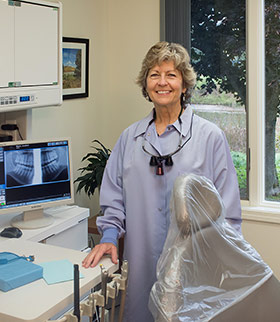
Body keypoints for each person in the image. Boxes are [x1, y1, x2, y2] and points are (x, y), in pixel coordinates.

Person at [82, 41, 242, 322]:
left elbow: (227, 210)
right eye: (154, 74)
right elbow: (113, 199)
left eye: (171, 74)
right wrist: (108, 236)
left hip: (194, 263)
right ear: (146, 84)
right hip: (141, 262)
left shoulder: (209, 137)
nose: (162, 82)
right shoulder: (129, 139)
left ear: (184, 83)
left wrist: (225, 259)